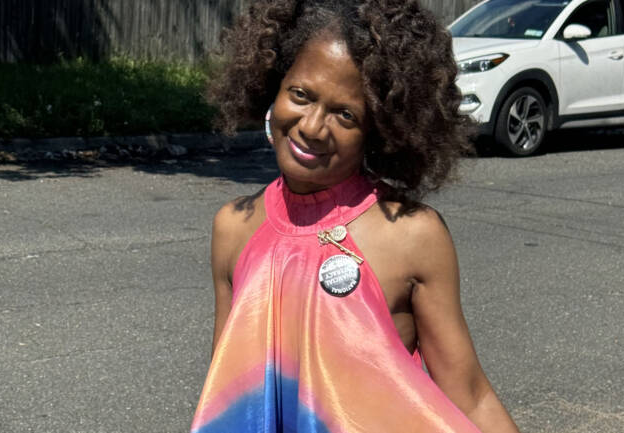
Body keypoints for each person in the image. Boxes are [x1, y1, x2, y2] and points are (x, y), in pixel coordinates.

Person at [191, 0, 520, 432]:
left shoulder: (410, 235)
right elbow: (227, 390)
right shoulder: (233, 227)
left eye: (345, 115)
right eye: (301, 95)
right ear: (273, 85)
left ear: (379, 130)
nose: (312, 127)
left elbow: (470, 396)